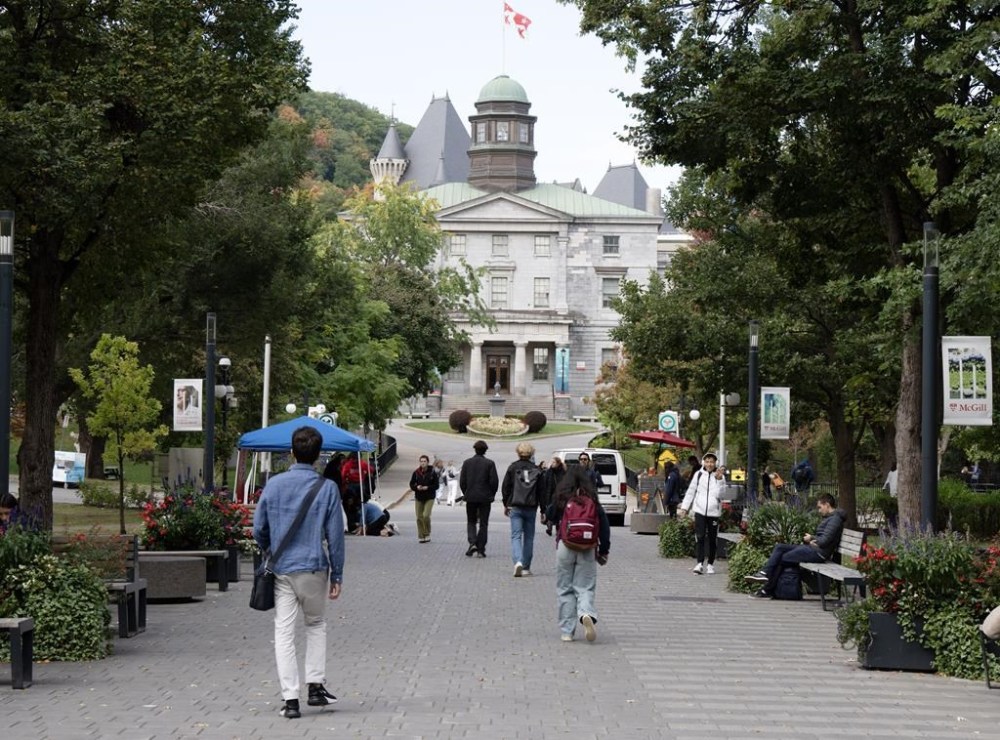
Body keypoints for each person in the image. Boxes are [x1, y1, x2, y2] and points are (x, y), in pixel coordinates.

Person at [252, 426, 343, 720]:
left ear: (292, 452)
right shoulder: (327, 488)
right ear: (318, 456)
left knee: (284, 632)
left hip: (282, 569)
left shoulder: (274, 485)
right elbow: (335, 535)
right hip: (314, 567)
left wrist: (271, 549)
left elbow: (258, 529)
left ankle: (290, 700)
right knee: (315, 625)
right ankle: (315, 685)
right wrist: (338, 574)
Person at [546, 466, 610, 642]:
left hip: (565, 546)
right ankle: (586, 613)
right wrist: (604, 550)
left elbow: (550, 513)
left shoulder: (563, 497)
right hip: (588, 547)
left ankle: (567, 631)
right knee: (585, 586)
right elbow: (604, 526)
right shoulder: (592, 500)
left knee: (565, 588)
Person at [746, 493, 846, 598]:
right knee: (780, 547)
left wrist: (812, 538)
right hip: (814, 548)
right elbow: (824, 538)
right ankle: (764, 574)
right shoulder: (831, 518)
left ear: (827, 504)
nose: (819, 510)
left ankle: (767, 589)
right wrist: (813, 539)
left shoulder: (835, 519)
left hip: (819, 553)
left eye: (820, 507)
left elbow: (825, 540)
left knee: (783, 558)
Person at [678, 452, 727, 575]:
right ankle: (699, 563)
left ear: (715, 463)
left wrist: (720, 480)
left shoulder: (720, 476)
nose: (709, 464)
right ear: (704, 462)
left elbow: (721, 495)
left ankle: (710, 564)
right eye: (707, 461)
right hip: (699, 510)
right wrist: (685, 508)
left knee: (712, 539)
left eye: (712, 461)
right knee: (699, 537)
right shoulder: (699, 474)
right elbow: (691, 491)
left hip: (713, 512)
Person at [502, 441, 543, 577]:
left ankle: (518, 561)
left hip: (516, 505)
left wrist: (506, 504)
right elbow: (540, 491)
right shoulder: (537, 469)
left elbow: (506, 487)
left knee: (516, 536)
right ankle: (526, 566)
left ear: (518, 452)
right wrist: (543, 510)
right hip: (531, 506)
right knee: (529, 537)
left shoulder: (513, 467)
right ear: (531, 453)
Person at [459, 440, 499, 557]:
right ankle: (481, 547)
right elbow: (494, 482)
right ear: (485, 450)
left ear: (474, 449)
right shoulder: (490, 464)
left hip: (471, 496)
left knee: (471, 521)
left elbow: (463, 481)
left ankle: (472, 542)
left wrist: (466, 492)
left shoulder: (467, 463)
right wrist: (491, 494)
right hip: (485, 497)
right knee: (483, 523)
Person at [409, 455, 438, 543]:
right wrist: (416, 487)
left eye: (424, 461)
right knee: (419, 517)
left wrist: (427, 487)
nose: (423, 463)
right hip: (419, 497)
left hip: (429, 497)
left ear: (428, 462)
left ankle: (427, 533)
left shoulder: (432, 472)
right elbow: (411, 484)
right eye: (421, 461)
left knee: (425, 515)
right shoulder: (416, 473)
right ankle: (421, 535)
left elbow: (436, 486)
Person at [543, 456, 567, 536]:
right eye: (551, 462)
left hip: (560, 496)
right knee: (551, 510)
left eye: (553, 462)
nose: (551, 464)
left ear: (558, 463)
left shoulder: (563, 472)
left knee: (559, 513)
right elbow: (545, 484)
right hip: (550, 495)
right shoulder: (549, 472)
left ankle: (556, 528)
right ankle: (550, 525)